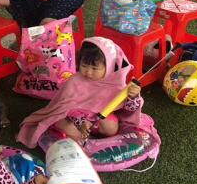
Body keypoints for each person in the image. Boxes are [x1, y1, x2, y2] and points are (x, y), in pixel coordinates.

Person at [17, 37, 157, 149]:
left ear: (108, 67)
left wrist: (133, 96)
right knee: (65, 126)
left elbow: (130, 109)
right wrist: (81, 122)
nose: (88, 72)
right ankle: (84, 140)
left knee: (110, 127)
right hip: (74, 118)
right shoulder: (75, 80)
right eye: (84, 65)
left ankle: (92, 138)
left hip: (99, 120)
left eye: (95, 68)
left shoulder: (115, 85)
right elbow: (65, 107)